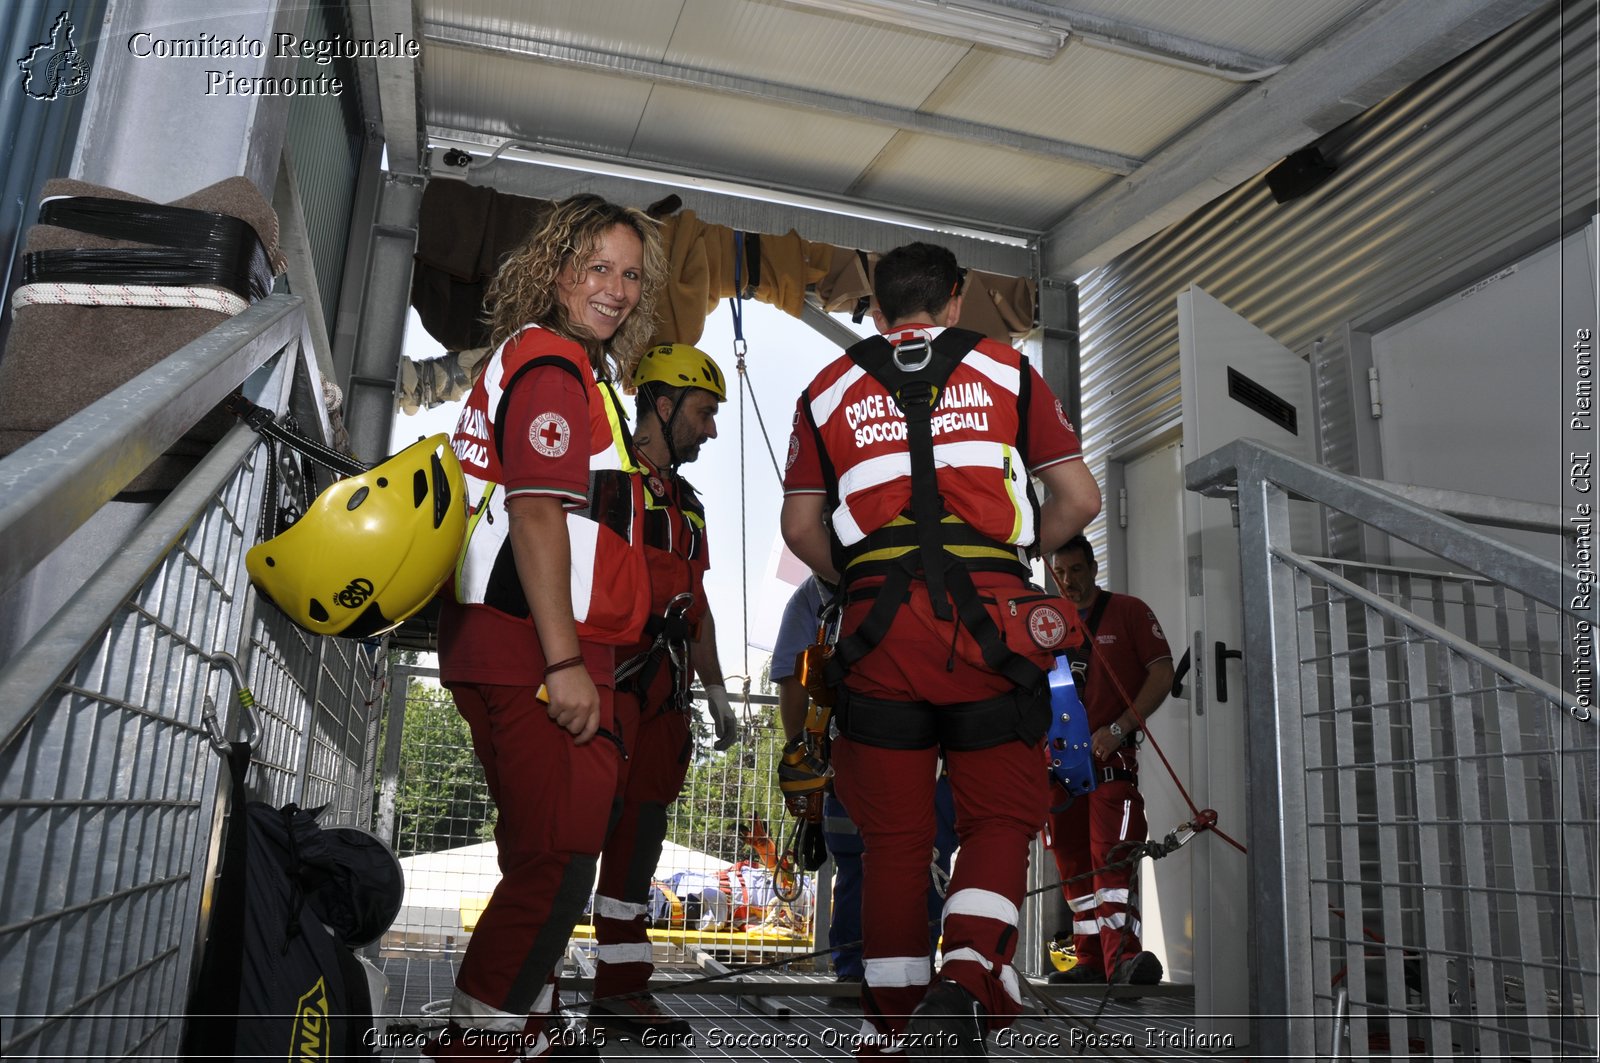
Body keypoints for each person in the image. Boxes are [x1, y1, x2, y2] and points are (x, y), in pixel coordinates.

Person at [780, 241, 1101, 1056]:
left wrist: (856, 577)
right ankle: (964, 977)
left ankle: (891, 1030)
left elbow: (799, 528)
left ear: (876, 309)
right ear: (955, 301)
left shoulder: (825, 389)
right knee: (999, 812)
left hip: (877, 639)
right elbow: (1079, 498)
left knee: (892, 838)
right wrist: (1018, 559)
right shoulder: (1006, 371)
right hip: (990, 628)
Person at [429, 194, 667, 1060]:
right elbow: (536, 515)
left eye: (631, 273)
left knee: (538, 851)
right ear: (557, 272)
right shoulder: (552, 366)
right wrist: (565, 663)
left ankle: (523, 1022)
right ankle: (478, 1040)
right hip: (538, 647)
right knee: (558, 862)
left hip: (512, 641)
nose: (616, 288)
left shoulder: (553, 365)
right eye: (596, 267)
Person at [587, 342, 738, 1039]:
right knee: (569, 832)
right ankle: (523, 989)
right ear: (663, 401)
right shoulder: (605, 477)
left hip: (664, 696)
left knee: (639, 842)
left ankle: (621, 988)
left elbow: (697, 602)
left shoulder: (690, 506)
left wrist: (715, 692)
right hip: (604, 681)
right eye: (704, 412)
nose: (710, 429)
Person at [771, 577, 959, 1002]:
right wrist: (802, 756)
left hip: (923, 751)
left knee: (927, 861)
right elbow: (792, 683)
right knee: (858, 863)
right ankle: (857, 972)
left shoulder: (911, 574)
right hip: (849, 755)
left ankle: (912, 969)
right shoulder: (811, 600)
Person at [1044, 534, 1173, 987]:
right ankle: (1090, 960)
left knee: (1111, 860)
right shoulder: (1047, 624)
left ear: (1093, 568)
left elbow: (1162, 672)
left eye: (1076, 571)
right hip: (1058, 771)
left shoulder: (1129, 611)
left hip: (1111, 763)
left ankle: (1124, 962)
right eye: (1059, 573)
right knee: (1071, 862)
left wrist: (1118, 727)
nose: (1068, 582)